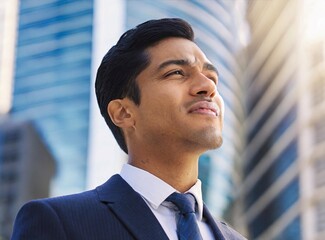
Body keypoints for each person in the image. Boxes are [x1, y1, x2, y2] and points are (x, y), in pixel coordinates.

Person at [11, 18, 246, 240]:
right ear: (123, 113)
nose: (208, 87)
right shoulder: (59, 222)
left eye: (212, 77)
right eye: (176, 73)